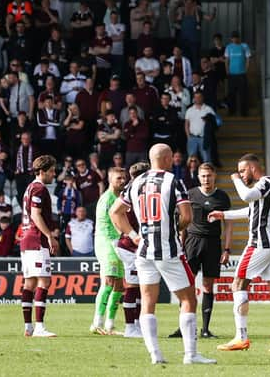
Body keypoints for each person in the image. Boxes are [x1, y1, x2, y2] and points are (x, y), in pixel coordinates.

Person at [109, 143, 216, 365]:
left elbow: (115, 212)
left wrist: (132, 234)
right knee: (188, 300)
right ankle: (190, 354)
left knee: (148, 301)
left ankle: (155, 354)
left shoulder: (135, 182)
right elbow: (187, 216)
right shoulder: (173, 181)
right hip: (168, 250)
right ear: (167, 159)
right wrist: (174, 229)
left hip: (144, 251)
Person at [209, 154, 270, 352]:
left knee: (238, 283)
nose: (241, 175)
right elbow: (251, 210)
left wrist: (235, 179)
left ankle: (241, 337)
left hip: (260, 243)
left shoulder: (264, 183)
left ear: (253, 168)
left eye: (243, 170)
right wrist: (224, 214)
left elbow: (246, 196)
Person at [169, 162, 232, 338]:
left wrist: (227, 249)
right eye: (203, 176)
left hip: (212, 244)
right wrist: (180, 245)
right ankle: (184, 328)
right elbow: (183, 222)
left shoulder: (222, 197)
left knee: (207, 285)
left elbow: (228, 225)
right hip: (192, 242)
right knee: (186, 285)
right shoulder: (191, 194)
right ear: (198, 177)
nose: (206, 179)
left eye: (209, 176)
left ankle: (205, 329)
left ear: (214, 176)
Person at [20, 154, 59, 338]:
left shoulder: (29, 188)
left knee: (29, 283)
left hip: (26, 239)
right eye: (51, 171)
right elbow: (36, 215)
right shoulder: (39, 188)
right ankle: (40, 327)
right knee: (44, 281)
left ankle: (28, 326)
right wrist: (49, 235)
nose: (54, 174)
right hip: (36, 239)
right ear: (42, 171)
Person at [111, 162, 149, 338]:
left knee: (141, 287)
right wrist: (130, 234)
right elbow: (114, 213)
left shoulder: (137, 190)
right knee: (132, 287)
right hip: (129, 247)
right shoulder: (132, 191)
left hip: (138, 246)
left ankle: (138, 325)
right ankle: (129, 327)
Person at [89, 167, 128, 335]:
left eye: (124, 178)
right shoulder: (107, 199)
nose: (122, 181)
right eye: (119, 178)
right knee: (109, 281)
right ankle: (96, 323)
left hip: (117, 242)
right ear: (110, 180)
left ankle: (110, 325)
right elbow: (114, 222)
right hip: (106, 242)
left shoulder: (119, 198)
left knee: (119, 285)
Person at [225, 31, 251, 116]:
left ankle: (244, 112)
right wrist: (227, 70)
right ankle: (231, 111)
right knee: (231, 93)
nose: (235, 39)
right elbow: (227, 60)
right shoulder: (228, 47)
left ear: (239, 38)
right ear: (231, 38)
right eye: (233, 37)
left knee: (243, 94)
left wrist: (246, 69)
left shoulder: (244, 46)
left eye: (236, 37)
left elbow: (248, 59)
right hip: (232, 74)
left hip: (242, 73)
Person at [185, 92, 215, 163]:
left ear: (202, 98)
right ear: (193, 99)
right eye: (196, 97)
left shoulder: (208, 109)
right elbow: (186, 124)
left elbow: (215, 122)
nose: (197, 99)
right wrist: (188, 136)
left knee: (206, 158)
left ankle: (208, 173)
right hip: (192, 137)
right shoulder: (190, 110)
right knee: (192, 160)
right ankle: (192, 174)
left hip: (204, 138)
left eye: (199, 97)